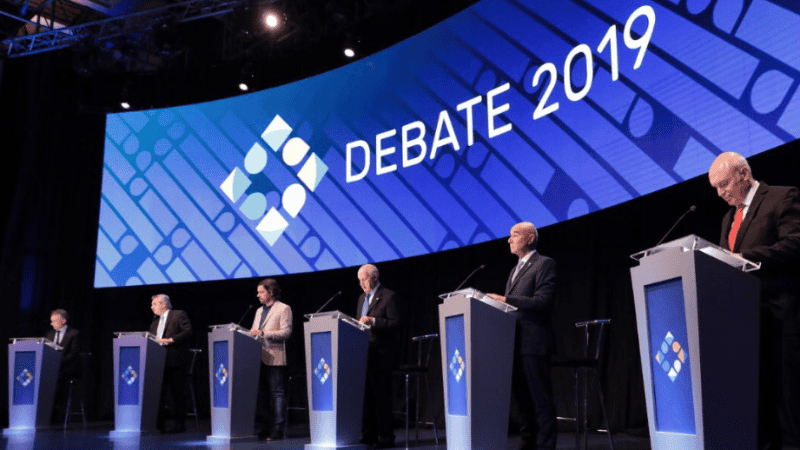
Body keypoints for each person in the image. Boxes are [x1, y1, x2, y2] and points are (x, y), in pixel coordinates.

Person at [708, 152, 800, 450]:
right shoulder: (728, 218)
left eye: (724, 185)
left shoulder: (782, 197)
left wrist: (745, 258)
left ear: (743, 175)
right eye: (717, 189)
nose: (721, 193)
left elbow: (794, 244)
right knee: (757, 398)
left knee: (787, 398)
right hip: (746, 320)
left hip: (781, 315)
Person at [487, 222, 557, 450]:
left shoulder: (544, 263)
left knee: (540, 400)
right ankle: (527, 443)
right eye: (509, 235)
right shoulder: (514, 270)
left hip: (534, 342)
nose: (509, 239)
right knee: (521, 400)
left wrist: (505, 300)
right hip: (512, 342)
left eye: (514, 234)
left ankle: (546, 446)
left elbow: (542, 301)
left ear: (529, 238)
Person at [355, 264, 401, 449]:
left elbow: (396, 323)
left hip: (381, 355)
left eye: (364, 279)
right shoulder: (361, 299)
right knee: (366, 398)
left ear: (374, 277)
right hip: (363, 353)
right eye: (359, 280)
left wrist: (374, 321)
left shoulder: (389, 296)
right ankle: (368, 434)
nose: (361, 284)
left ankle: (386, 437)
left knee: (381, 398)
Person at [249, 278, 293, 441]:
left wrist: (265, 333)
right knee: (262, 395)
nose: (257, 295)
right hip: (257, 356)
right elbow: (254, 331)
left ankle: (278, 429)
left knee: (277, 393)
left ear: (271, 292)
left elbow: (286, 332)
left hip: (274, 357)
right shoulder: (259, 311)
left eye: (261, 292)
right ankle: (265, 427)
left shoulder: (284, 308)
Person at [149, 294, 193, 434]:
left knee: (177, 394)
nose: (152, 307)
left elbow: (188, 331)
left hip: (176, 361)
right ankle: (158, 425)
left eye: (154, 304)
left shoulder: (178, 314)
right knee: (158, 394)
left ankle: (180, 425)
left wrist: (171, 340)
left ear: (163, 304)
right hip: (158, 362)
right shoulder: (155, 321)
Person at [45, 309, 81, 422]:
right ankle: (45, 410)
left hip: (67, 367)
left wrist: (58, 363)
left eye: (54, 321)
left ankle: (57, 411)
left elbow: (73, 353)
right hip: (51, 367)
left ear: (63, 320)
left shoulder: (74, 333)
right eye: (51, 321)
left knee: (56, 377)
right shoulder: (49, 334)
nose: (51, 324)